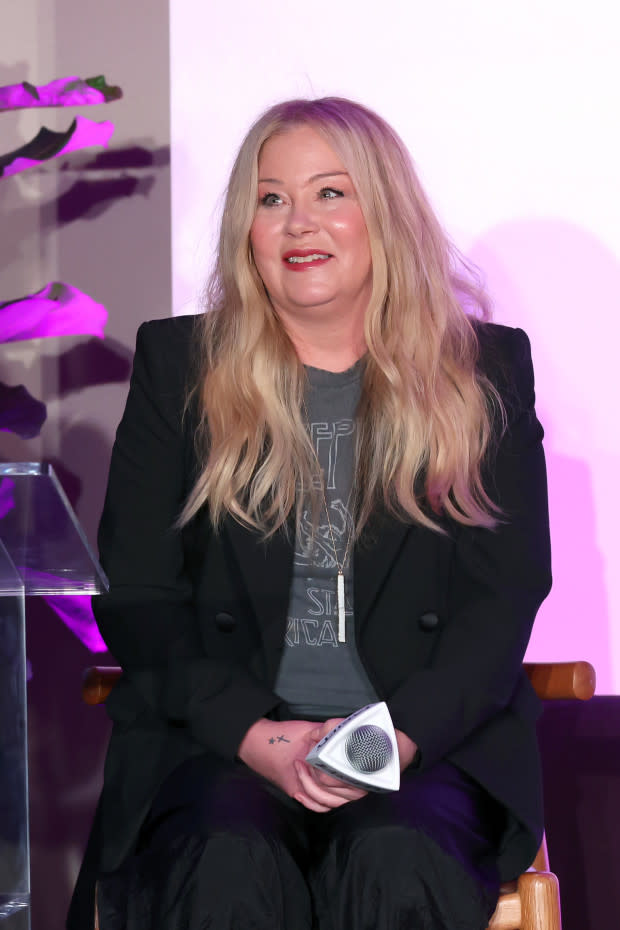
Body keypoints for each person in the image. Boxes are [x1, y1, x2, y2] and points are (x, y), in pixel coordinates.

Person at [68, 97, 551, 930]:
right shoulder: (179, 366)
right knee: (226, 858)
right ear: (246, 228)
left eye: (331, 193)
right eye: (271, 198)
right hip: (222, 744)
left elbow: (502, 597)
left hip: (419, 745)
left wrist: (389, 740)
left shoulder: (484, 370)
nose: (299, 223)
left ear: (383, 214)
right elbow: (139, 594)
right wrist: (254, 734)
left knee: (395, 854)